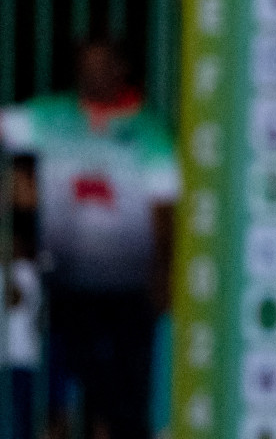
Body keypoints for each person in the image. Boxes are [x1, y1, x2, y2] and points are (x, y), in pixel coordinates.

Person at [0, 39, 176, 439]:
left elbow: (166, 213)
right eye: (84, 64)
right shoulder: (51, 116)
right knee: (63, 387)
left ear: (122, 70)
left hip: (130, 286)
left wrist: (163, 276)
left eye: (102, 64)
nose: (91, 73)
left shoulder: (150, 132)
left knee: (125, 393)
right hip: (66, 284)